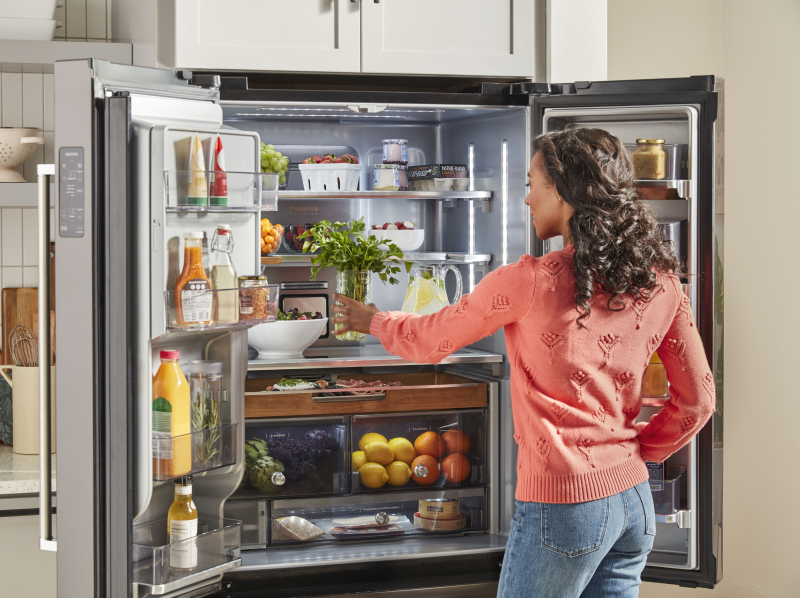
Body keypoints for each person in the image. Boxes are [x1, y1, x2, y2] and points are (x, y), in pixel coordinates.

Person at [331, 128, 715, 598]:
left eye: (533, 183)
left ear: (563, 189)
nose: (527, 197)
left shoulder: (529, 281)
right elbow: (698, 401)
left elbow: (432, 341)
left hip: (566, 503)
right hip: (634, 501)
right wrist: (637, 454)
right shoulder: (662, 282)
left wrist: (374, 321)